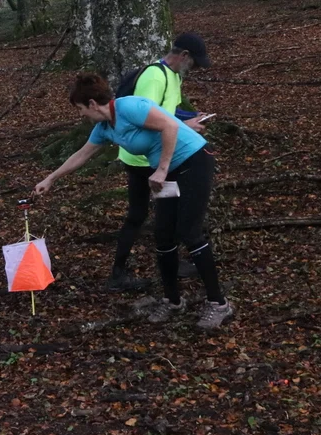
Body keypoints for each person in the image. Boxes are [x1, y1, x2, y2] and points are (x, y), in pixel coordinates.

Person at [34, 74, 235, 330]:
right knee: (163, 236)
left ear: (93, 104)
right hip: (166, 174)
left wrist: (161, 169)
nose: (82, 115)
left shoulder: (130, 107)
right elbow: (81, 155)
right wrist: (50, 178)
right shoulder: (105, 128)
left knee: (189, 232)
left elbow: (170, 126)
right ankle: (173, 300)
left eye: (81, 109)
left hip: (193, 162)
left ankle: (219, 303)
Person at [109, 33, 212, 293]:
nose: (194, 69)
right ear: (184, 56)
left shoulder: (174, 77)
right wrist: (184, 126)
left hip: (159, 154)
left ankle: (170, 262)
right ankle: (119, 272)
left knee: (163, 212)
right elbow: (145, 118)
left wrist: (191, 117)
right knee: (140, 214)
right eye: (194, 63)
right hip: (141, 159)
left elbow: (170, 112)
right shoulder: (155, 77)